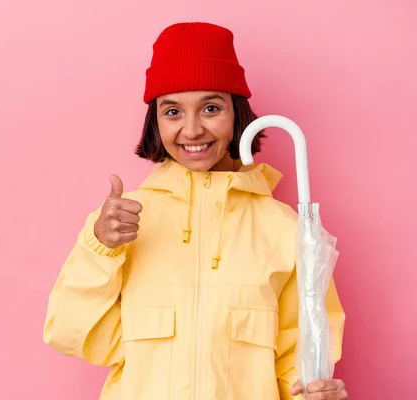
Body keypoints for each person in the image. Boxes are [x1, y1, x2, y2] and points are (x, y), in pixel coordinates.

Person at [42, 22, 347, 400]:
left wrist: (312, 392)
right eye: (172, 111)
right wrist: (100, 248)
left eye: (211, 108)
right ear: (155, 120)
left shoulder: (285, 229)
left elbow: (296, 361)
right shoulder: (119, 225)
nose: (192, 129)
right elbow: (71, 333)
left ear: (237, 113)